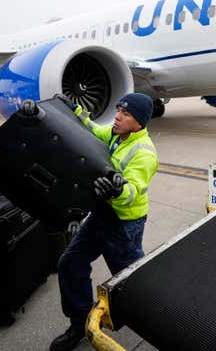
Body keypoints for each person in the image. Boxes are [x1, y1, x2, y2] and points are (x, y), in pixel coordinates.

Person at [50, 93, 158, 351]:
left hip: (124, 222)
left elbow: (134, 190)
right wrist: (73, 109)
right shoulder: (114, 135)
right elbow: (94, 129)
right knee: (70, 262)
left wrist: (117, 191)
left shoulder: (145, 153)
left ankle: (158, 322)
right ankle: (80, 322)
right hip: (101, 213)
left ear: (140, 122)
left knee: (129, 282)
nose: (118, 116)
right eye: (119, 110)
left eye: (126, 113)